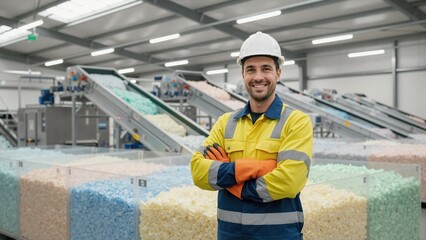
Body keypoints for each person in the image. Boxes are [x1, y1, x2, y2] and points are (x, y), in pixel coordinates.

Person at [190, 31, 313, 240]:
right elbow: (198, 172)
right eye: (251, 70)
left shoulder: (296, 122)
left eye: (266, 69)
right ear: (243, 75)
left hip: (278, 235)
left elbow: (289, 181)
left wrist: (233, 182)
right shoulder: (226, 122)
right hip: (230, 234)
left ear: (278, 73)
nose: (258, 77)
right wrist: (252, 168)